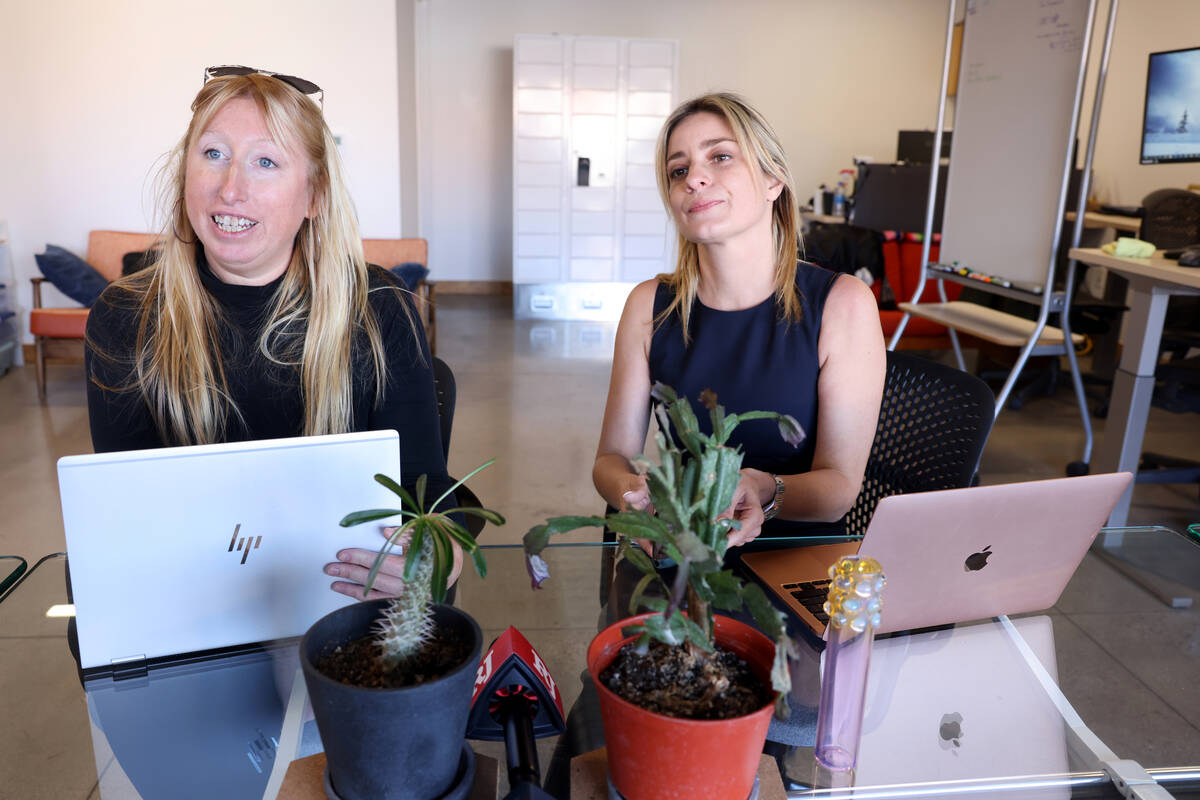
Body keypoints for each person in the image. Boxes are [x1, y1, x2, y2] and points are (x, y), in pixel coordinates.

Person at [84, 67, 459, 598]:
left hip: (342, 597)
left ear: (314, 197)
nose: (230, 188)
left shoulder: (379, 308)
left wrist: (443, 555)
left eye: (265, 162)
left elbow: (428, 500)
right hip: (189, 597)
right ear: (184, 175)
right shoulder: (125, 315)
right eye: (213, 154)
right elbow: (126, 512)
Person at [592, 93, 885, 546]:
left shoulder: (843, 303)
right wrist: (638, 494)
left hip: (793, 562)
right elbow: (611, 457)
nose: (695, 179)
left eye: (721, 156)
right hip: (681, 552)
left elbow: (840, 489)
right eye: (679, 170)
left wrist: (765, 490)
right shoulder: (650, 306)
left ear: (773, 180)